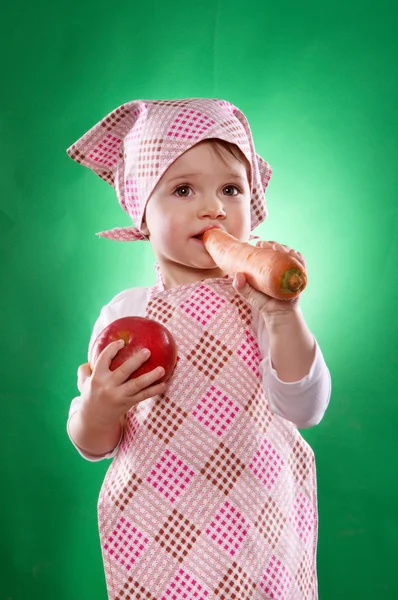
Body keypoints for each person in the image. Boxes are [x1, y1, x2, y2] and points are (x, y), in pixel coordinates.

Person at [66, 98, 331, 600]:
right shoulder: (126, 315)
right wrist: (99, 406)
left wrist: (282, 313)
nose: (213, 208)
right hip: (162, 531)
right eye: (183, 189)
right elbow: (93, 444)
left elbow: (306, 407)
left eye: (232, 189)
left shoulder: (261, 301)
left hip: (259, 529)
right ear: (143, 213)